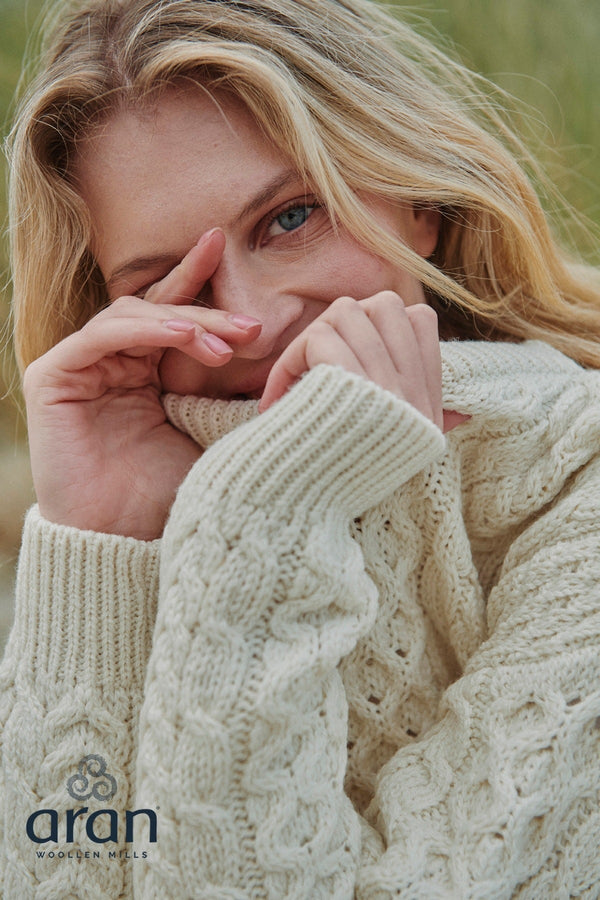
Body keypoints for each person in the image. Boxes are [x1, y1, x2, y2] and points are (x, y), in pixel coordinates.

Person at [1, 0, 599, 896]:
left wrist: (265, 509)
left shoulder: (575, 480)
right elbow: (61, 871)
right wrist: (108, 536)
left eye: (290, 219)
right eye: (174, 283)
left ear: (419, 201)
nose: (251, 323)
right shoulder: (144, 502)